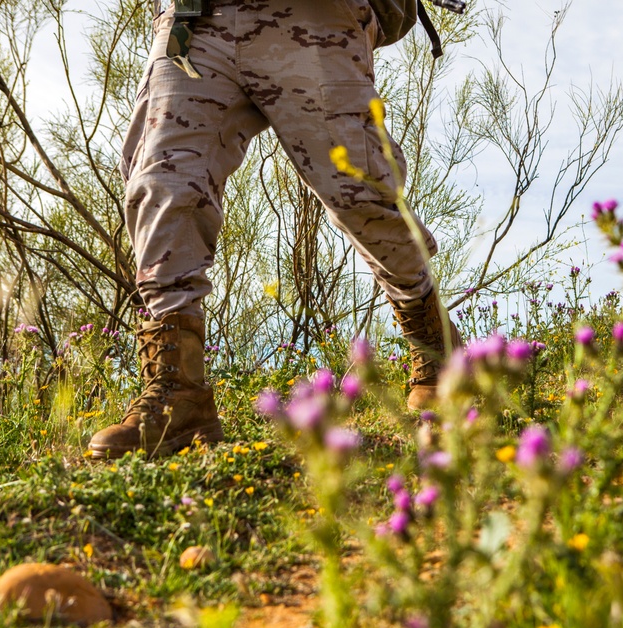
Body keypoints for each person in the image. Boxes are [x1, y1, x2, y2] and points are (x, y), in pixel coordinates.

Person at [89, 0, 461, 459]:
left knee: (360, 192)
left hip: (314, 16)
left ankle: (430, 339)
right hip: (196, 18)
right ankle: (178, 394)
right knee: (163, 182)